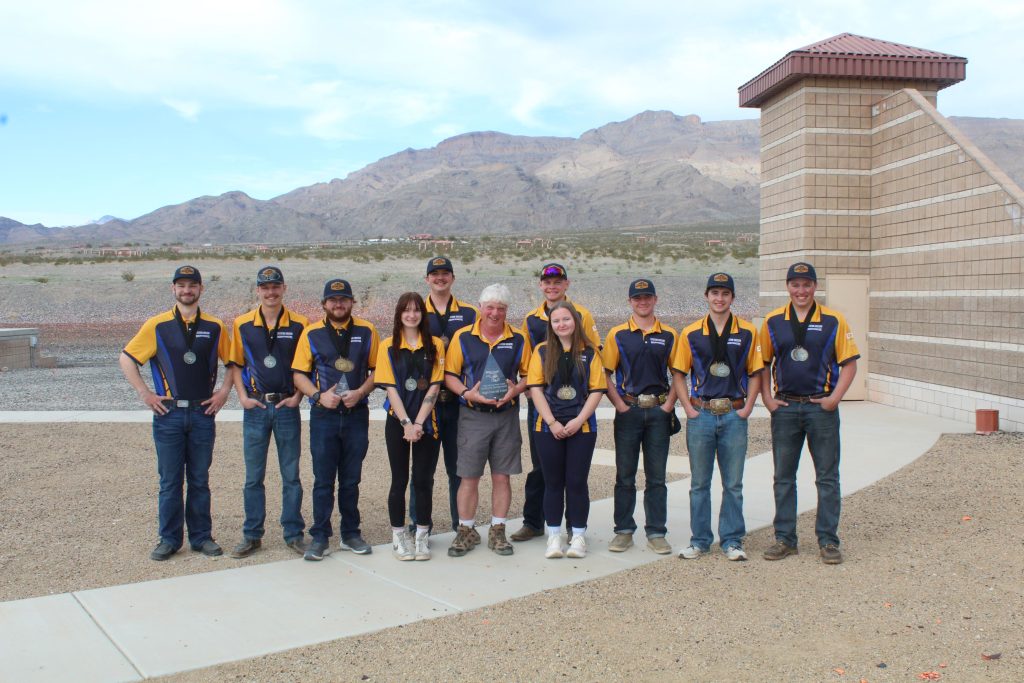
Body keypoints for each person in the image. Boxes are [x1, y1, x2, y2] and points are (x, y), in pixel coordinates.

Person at [119, 265, 233, 561]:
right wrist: (145, 393)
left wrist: (223, 393)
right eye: (181, 285)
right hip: (168, 414)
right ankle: (169, 539)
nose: (187, 290)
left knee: (199, 479)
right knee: (170, 481)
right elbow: (127, 359)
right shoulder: (156, 325)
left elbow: (233, 363)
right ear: (173, 289)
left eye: (192, 285)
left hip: (202, 414)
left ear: (200, 289)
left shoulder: (216, 326)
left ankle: (201, 537)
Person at [759, 262, 859, 565]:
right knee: (784, 477)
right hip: (786, 408)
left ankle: (828, 540)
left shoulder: (833, 320)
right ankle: (785, 539)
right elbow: (762, 363)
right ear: (788, 287)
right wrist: (767, 398)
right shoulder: (773, 321)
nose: (801, 291)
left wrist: (834, 399)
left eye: (806, 285)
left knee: (827, 477)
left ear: (815, 287)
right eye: (795, 285)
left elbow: (850, 364)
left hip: (821, 409)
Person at [672, 272, 763, 562]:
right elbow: (678, 372)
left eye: (725, 293)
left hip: (734, 413)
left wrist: (748, 407)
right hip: (702, 414)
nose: (719, 298)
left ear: (732, 297)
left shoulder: (747, 331)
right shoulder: (691, 333)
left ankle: (732, 540)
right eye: (714, 293)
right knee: (699, 483)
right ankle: (699, 540)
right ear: (706, 296)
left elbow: (756, 372)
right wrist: (687, 407)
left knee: (733, 483)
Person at [512, 262, 601, 543]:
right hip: (543, 405)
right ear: (540, 285)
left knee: (574, 476)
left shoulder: (582, 315)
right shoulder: (531, 319)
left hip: (576, 405)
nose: (552, 287)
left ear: (566, 284)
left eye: (558, 282)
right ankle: (534, 522)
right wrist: (529, 390)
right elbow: (526, 359)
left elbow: (594, 352)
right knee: (542, 466)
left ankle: (575, 528)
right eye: (547, 282)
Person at [292, 278, 379, 561]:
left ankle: (350, 533)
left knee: (351, 479)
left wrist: (361, 391)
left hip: (356, 414)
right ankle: (319, 536)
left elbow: (378, 371)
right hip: (324, 415)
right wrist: (318, 396)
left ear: (352, 302)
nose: (338, 305)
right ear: (324, 304)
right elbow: (299, 374)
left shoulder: (367, 331)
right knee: (323, 480)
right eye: (333, 300)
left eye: (343, 300)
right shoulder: (311, 333)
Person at [227, 266, 309, 559]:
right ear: (257, 290)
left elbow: (306, 366)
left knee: (291, 475)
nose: (271, 292)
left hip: (287, 406)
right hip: (257, 407)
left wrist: (298, 396)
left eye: (275, 287)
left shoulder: (300, 324)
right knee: (253, 477)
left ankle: (293, 533)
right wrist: (242, 397)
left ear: (284, 288)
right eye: (265, 288)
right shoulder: (242, 324)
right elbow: (234, 364)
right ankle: (252, 535)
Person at [443, 283, 531, 557]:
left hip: (506, 415)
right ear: (480, 308)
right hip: (473, 415)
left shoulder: (519, 339)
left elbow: (529, 375)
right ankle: (466, 531)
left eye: (501, 309)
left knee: (502, 476)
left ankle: (498, 530)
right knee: (468, 476)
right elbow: (449, 375)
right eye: (490, 307)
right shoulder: (462, 337)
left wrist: (515, 390)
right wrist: (468, 393)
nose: (495, 313)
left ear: (507, 311)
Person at [602, 278, 678, 555]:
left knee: (657, 476)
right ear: (630, 302)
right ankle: (623, 530)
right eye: (637, 298)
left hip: (658, 411)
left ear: (655, 299)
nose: (642, 302)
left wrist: (669, 404)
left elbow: (679, 372)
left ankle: (657, 531)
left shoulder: (669, 334)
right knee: (625, 476)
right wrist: (619, 405)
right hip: (629, 411)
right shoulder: (617, 334)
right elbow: (605, 373)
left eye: (647, 297)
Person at [526, 301, 606, 559]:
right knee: (553, 482)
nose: (562, 324)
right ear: (551, 325)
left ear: (576, 322)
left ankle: (579, 535)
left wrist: (578, 420)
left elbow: (596, 390)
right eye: (556, 321)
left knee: (576, 482)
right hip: (548, 427)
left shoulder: (591, 352)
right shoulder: (541, 351)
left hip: (581, 427)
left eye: (566, 320)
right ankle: (554, 537)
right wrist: (551, 421)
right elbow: (535, 388)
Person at [375, 292, 445, 561]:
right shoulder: (387, 346)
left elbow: (436, 386)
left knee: (423, 480)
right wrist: (406, 422)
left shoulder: (436, 345)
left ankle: (422, 536)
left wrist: (419, 423)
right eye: (407, 310)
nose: (412, 315)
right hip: (398, 421)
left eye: (417, 310)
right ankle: (398, 536)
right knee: (399, 480)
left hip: (427, 423)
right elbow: (390, 387)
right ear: (399, 314)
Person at [410, 256, 478, 532]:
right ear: (426, 279)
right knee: (422, 471)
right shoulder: (414, 312)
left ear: (453, 277)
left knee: (458, 470)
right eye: (434, 274)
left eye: (445, 273)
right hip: (426, 404)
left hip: (459, 404)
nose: (440, 278)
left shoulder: (471, 313)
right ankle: (418, 523)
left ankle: (460, 524)